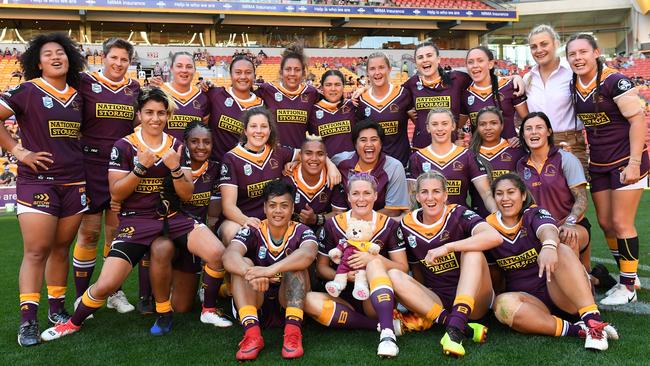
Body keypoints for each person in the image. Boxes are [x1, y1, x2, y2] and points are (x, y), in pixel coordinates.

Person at [40, 88, 227, 340]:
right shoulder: (124, 145)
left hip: (174, 217)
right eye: (149, 112)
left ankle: (207, 309)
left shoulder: (176, 147)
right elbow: (116, 193)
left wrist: (174, 168)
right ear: (139, 114)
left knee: (216, 253)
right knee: (107, 284)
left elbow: (186, 193)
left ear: (168, 116)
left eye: (161, 113)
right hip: (136, 220)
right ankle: (72, 323)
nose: (155, 118)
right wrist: (140, 167)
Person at [0, 32, 87, 347]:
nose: (56, 57)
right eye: (48, 53)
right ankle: (27, 322)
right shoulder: (26, 91)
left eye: (61, 52)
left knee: (62, 249)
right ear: (37, 62)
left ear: (70, 59)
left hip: (75, 181)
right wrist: (19, 152)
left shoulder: (80, 95)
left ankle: (56, 309)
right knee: (36, 251)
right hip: (39, 182)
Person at [486, 174, 618, 351]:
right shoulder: (488, 226)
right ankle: (579, 330)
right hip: (532, 303)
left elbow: (547, 229)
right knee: (502, 304)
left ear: (523, 195)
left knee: (560, 249)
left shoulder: (534, 213)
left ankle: (593, 321)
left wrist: (548, 245)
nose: (505, 198)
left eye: (511, 192)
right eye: (499, 194)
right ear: (494, 198)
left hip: (563, 292)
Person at [566, 34, 648, 304]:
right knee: (605, 223)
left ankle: (628, 288)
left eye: (583, 52)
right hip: (599, 162)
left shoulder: (614, 80)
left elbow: (637, 120)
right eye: (572, 54)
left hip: (626, 160)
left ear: (596, 52)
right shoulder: (574, 83)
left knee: (621, 223)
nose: (578, 58)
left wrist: (634, 162)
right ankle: (629, 274)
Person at [389, 171, 502, 357]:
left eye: (436, 191)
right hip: (438, 301)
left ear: (445, 195)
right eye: (424, 192)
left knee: (472, 251)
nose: (430, 197)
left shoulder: (458, 213)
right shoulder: (407, 224)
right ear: (417, 196)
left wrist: (449, 248)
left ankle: (457, 324)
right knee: (394, 274)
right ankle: (456, 325)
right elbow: (416, 269)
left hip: (475, 300)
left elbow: (493, 237)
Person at [73, 37, 143, 315]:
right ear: (102, 57)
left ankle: (112, 290)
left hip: (121, 167)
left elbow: (138, 124)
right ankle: (82, 297)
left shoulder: (134, 88)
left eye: (124, 59)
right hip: (89, 165)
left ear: (129, 62)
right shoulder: (84, 82)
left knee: (115, 234)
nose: (118, 63)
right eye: (114, 57)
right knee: (89, 233)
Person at [304, 173, 408, 358]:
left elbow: (402, 267)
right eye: (356, 193)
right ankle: (380, 326)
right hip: (343, 294)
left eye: (367, 193)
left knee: (374, 262)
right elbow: (321, 268)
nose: (361, 199)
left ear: (376, 196)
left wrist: (373, 261)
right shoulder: (333, 225)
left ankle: (387, 335)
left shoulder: (389, 225)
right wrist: (346, 276)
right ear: (349, 197)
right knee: (309, 301)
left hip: (374, 296)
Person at [147, 120, 231, 331]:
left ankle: (206, 289)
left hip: (195, 238)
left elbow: (212, 216)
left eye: (207, 142)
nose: (201, 147)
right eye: (194, 141)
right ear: (184, 144)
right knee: (160, 247)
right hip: (170, 234)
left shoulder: (215, 169)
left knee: (183, 306)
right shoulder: (170, 166)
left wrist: (206, 256)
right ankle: (155, 303)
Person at [223, 179, 318, 360]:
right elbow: (229, 256)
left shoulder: (303, 230)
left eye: (284, 205)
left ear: (292, 209)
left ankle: (292, 334)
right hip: (256, 299)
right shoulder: (253, 229)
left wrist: (269, 271)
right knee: (242, 263)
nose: (278, 211)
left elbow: (308, 254)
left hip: (289, 302)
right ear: (265, 207)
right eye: (273, 205)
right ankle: (252, 335)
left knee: (296, 266)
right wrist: (249, 272)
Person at [516, 112, 593, 273]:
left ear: (549, 131)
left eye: (539, 127)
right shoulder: (520, 165)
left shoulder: (565, 159)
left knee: (567, 236)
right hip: (538, 228)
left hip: (571, 224)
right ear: (523, 135)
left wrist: (569, 223)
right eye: (528, 129)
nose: (534, 132)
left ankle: (579, 287)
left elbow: (582, 199)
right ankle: (592, 276)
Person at [524, 25, 588, 173]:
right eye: (534, 47)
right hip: (537, 144)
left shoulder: (573, 72)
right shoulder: (527, 78)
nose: (539, 50)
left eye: (544, 44)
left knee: (576, 194)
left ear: (556, 44)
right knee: (541, 195)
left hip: (570, 141)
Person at [408, 108, 496, 213]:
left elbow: (486, 193)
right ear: (428, 128)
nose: (440, 128)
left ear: (453, 126)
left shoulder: (467, 156)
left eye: (444, 123)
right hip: (430, 221)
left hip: (461, 220)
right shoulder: (417, 158)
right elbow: (410, 198)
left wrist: (497, 215)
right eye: (435, 124)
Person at [331, 119, 409, 217]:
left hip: (379, 223)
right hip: (349, 223)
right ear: (355, 144)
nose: (369, 144)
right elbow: (319, 159)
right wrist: (330, 165)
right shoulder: (341, 160)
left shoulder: (394, 167)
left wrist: (360, 219)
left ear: (381, 144)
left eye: (374, 139)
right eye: (363, 140)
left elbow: (393, 210)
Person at [402, 42, 471, 149]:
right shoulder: (411, 84)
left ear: (438, 59)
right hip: (421, 150)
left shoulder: (458, 79)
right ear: (416, 63)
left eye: (429, 55)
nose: (425, 60)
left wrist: (458, 128)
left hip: (451, 148)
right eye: (420, 57)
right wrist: (408, 111)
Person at [255, 45, 319, 148]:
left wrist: (354, 97)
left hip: (298, 157)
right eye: (288, 69)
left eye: (297, 70)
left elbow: (333, 102)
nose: (292, 73)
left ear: (303, 73)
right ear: (281, 72)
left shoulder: (311, 93)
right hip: (273, 156)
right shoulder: (267, 90)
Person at [461, 46, 528, 144]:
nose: (475, 65)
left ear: (490, 64)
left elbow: (527, 120)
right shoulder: (466, 93)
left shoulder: (510, 86)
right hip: (479, 154)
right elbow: (458, 126)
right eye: (470, 62)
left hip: (510, 152)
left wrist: (521, 138)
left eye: (480, 61)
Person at [356, 52, 412, 166]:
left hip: (401, 164)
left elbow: (420, 120)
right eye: (372, 68)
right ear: (367, 72)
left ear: (389, 69)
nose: (377, 72)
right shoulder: (361, 100)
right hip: (373, 167)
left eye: (381, 67)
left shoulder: (403, 94)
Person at [468, 106, 525, 217]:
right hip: (479, 217)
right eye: (483, 124)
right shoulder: (469, 154)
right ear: (477, 127)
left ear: (502, 125)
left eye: (493, 123)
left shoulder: (515, 150)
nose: (488, 128)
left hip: (513, 216)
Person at [207, 55, 264, 162]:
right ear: (231, 75)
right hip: (216, 167)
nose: (243, 76)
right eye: (238, 72)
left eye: (248, 72)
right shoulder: (216, 95)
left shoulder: (262, 105)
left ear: (254, 76)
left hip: (246, 168)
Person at [283, 136, 335, 230]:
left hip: (325, 235)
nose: (314, 158)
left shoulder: (332, 177)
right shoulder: (288, 178)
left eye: (320, 154)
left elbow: (340, 214)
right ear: (300, 155)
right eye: (308, 153)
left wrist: (316, 219)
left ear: (326, 156)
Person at [158, 52, 210, 140]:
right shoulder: (159, 92)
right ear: (171, 69)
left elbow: (204, 129)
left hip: (193, 153)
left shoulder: (202, 97)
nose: (184, 70)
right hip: (165, 152)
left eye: (189, 67)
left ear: (194, 70)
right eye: (179, 66)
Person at [309, 69, 356, 157]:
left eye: (337, 85)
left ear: (343, 86)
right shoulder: (312, 111)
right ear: (322, 87)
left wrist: (364, 89)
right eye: (328, 85)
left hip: (351, 166)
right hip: (325, 166)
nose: (333, 89)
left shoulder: (352, 106)